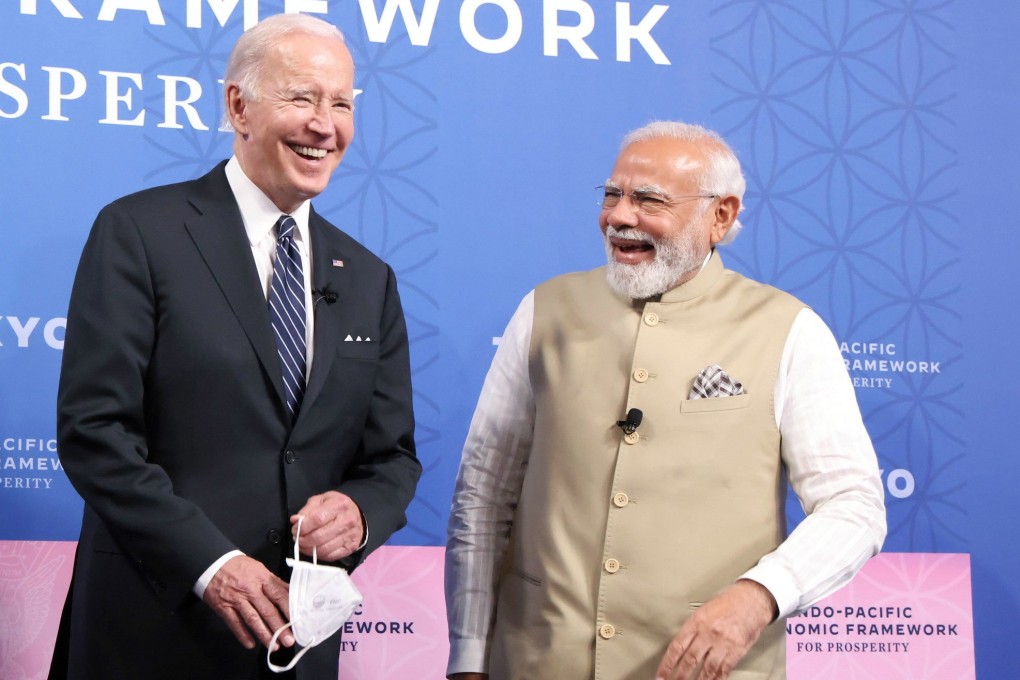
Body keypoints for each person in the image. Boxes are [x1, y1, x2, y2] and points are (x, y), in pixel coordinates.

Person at [49, 14, 421, 680]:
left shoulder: (368, 278)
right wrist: (211, 565)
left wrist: (362, 512)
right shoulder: (139, 233)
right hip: (152, 633)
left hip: (297, 647)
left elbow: (391, 458)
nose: (325, 125)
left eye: (340, 103)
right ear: (238, 106)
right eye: (303, 98)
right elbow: (95, 432)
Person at [445, 121, 886, 680]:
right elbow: (483, 497)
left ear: (720, 217)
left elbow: (854, 506)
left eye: (648, 200)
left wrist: (760, 596)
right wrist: (467, 654)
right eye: (612, 195)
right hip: (535, 660)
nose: (620, 217)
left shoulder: (790, 330)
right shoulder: (543, 310)